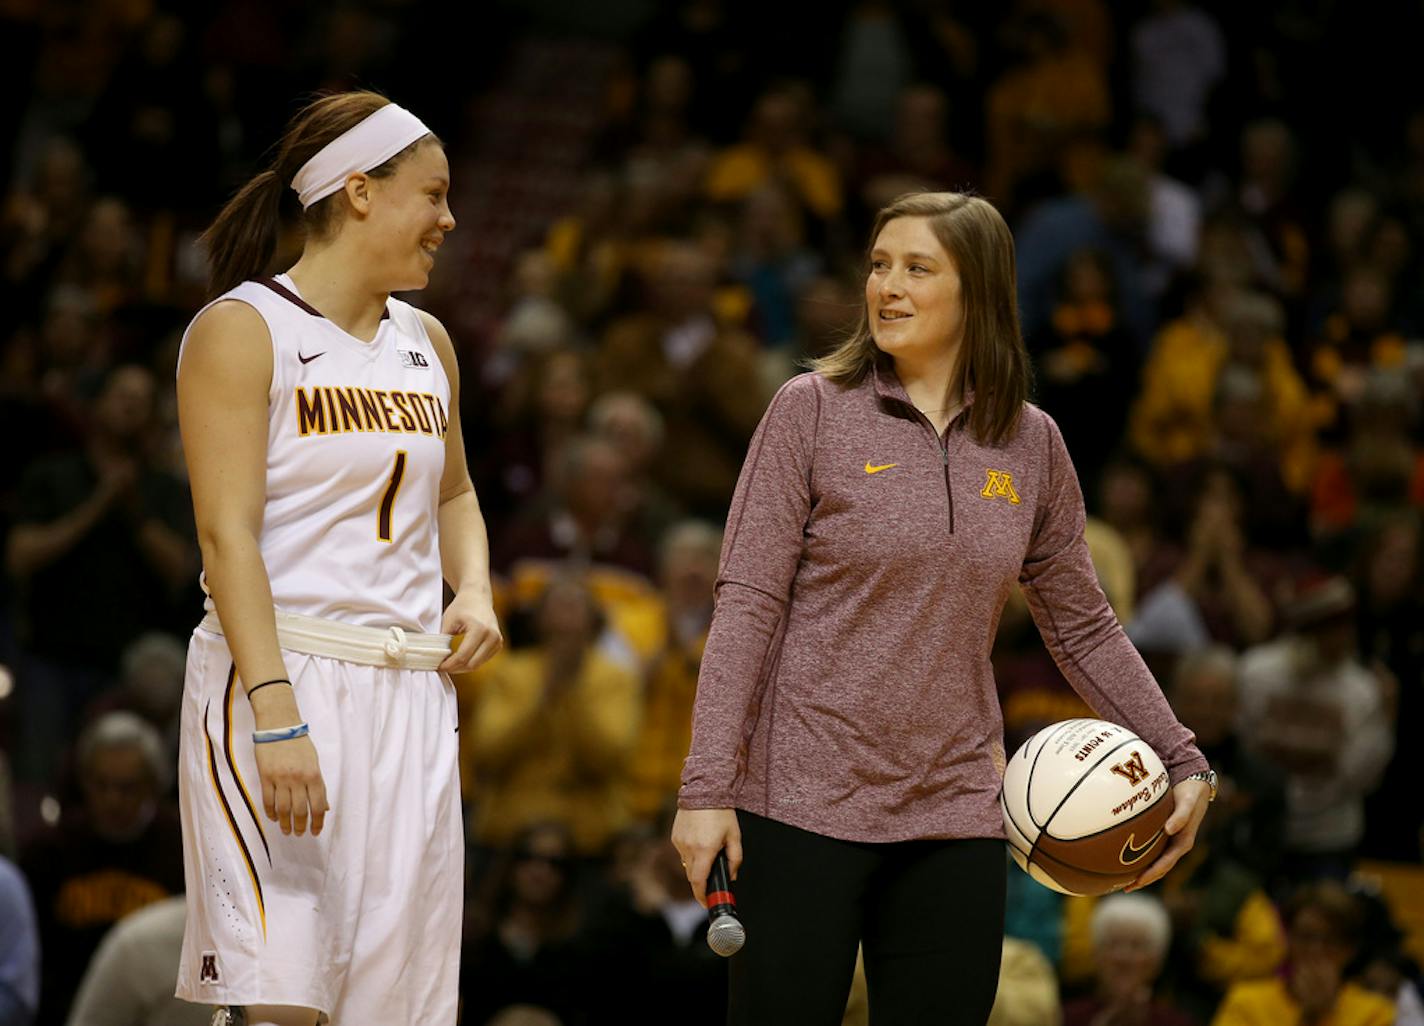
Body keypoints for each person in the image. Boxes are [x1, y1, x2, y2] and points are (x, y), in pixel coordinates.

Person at [671, 192, 1214, 1026]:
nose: (886, 287)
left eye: (917, 269)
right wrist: (705, 787)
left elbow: (1083, 626)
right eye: (879, 266)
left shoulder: (1033, 443)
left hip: (957, 808)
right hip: (801, 799)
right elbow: (746, 606)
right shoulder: (809, 410)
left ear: (981, 291)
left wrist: (1183, 759)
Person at [172, 91, 502, 1026]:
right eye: (432, 194)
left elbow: (455, 494)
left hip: (410, 696)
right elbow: (225, 536)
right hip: (281, 679)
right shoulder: (243, 330)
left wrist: (472, 588)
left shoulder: (426, 343)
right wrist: (276, 713)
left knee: (391, 1011)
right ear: (359, 192)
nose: (449, 219)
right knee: (281, 1005)